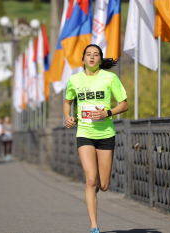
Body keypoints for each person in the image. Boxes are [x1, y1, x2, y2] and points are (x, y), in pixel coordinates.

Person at [63, 44, 128, 233]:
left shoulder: (110, 78)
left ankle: (97, 187)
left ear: (100, 59)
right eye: (88, 54)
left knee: (104, 185)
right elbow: (67, 103)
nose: (92, 57)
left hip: (106, 134)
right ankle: (94, 226)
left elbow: (124, 105)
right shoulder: (74, 80)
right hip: (84, 133)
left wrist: (108, 112)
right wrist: (68, 117)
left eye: (96, 54)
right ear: (83, 59)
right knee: (90, 180)